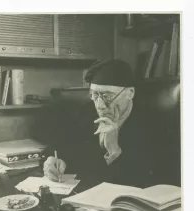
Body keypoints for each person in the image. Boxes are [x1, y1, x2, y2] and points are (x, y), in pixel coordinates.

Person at [43, 59, 180, 188]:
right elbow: (61, 144)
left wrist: (114, 150)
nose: (100, 106)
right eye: (94, 95)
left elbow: (145, 182)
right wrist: (53, 160)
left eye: (107, 96)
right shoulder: (89, 111)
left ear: (130, 93)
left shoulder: (153, 123)